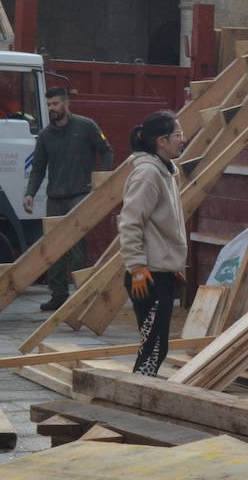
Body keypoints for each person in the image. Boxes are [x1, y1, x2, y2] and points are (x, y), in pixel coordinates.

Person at [23, 87, 114, 311]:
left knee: (76, 246)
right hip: (55, 197)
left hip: (80, 194)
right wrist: (30, 194)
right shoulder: (45, 135)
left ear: (65, 104)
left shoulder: (86, 126)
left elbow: (107, 151)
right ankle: (58, 295)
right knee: (53, 247)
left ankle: (80, 296)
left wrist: (100, 182)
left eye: (54, 104)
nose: (51, 109)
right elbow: (37, 169)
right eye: (48, 105)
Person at [117, 111, 186, 376]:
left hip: (160, 273)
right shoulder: (148, 174)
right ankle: (135, 401)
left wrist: (172, 263)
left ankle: (140, 397)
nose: (183, 140)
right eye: (178, 135)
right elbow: (130, 222)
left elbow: (163, 226)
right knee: (152, 350)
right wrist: (137, 267)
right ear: (161, 141)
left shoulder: (165, 171)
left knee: (157, 347)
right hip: (147, 277)